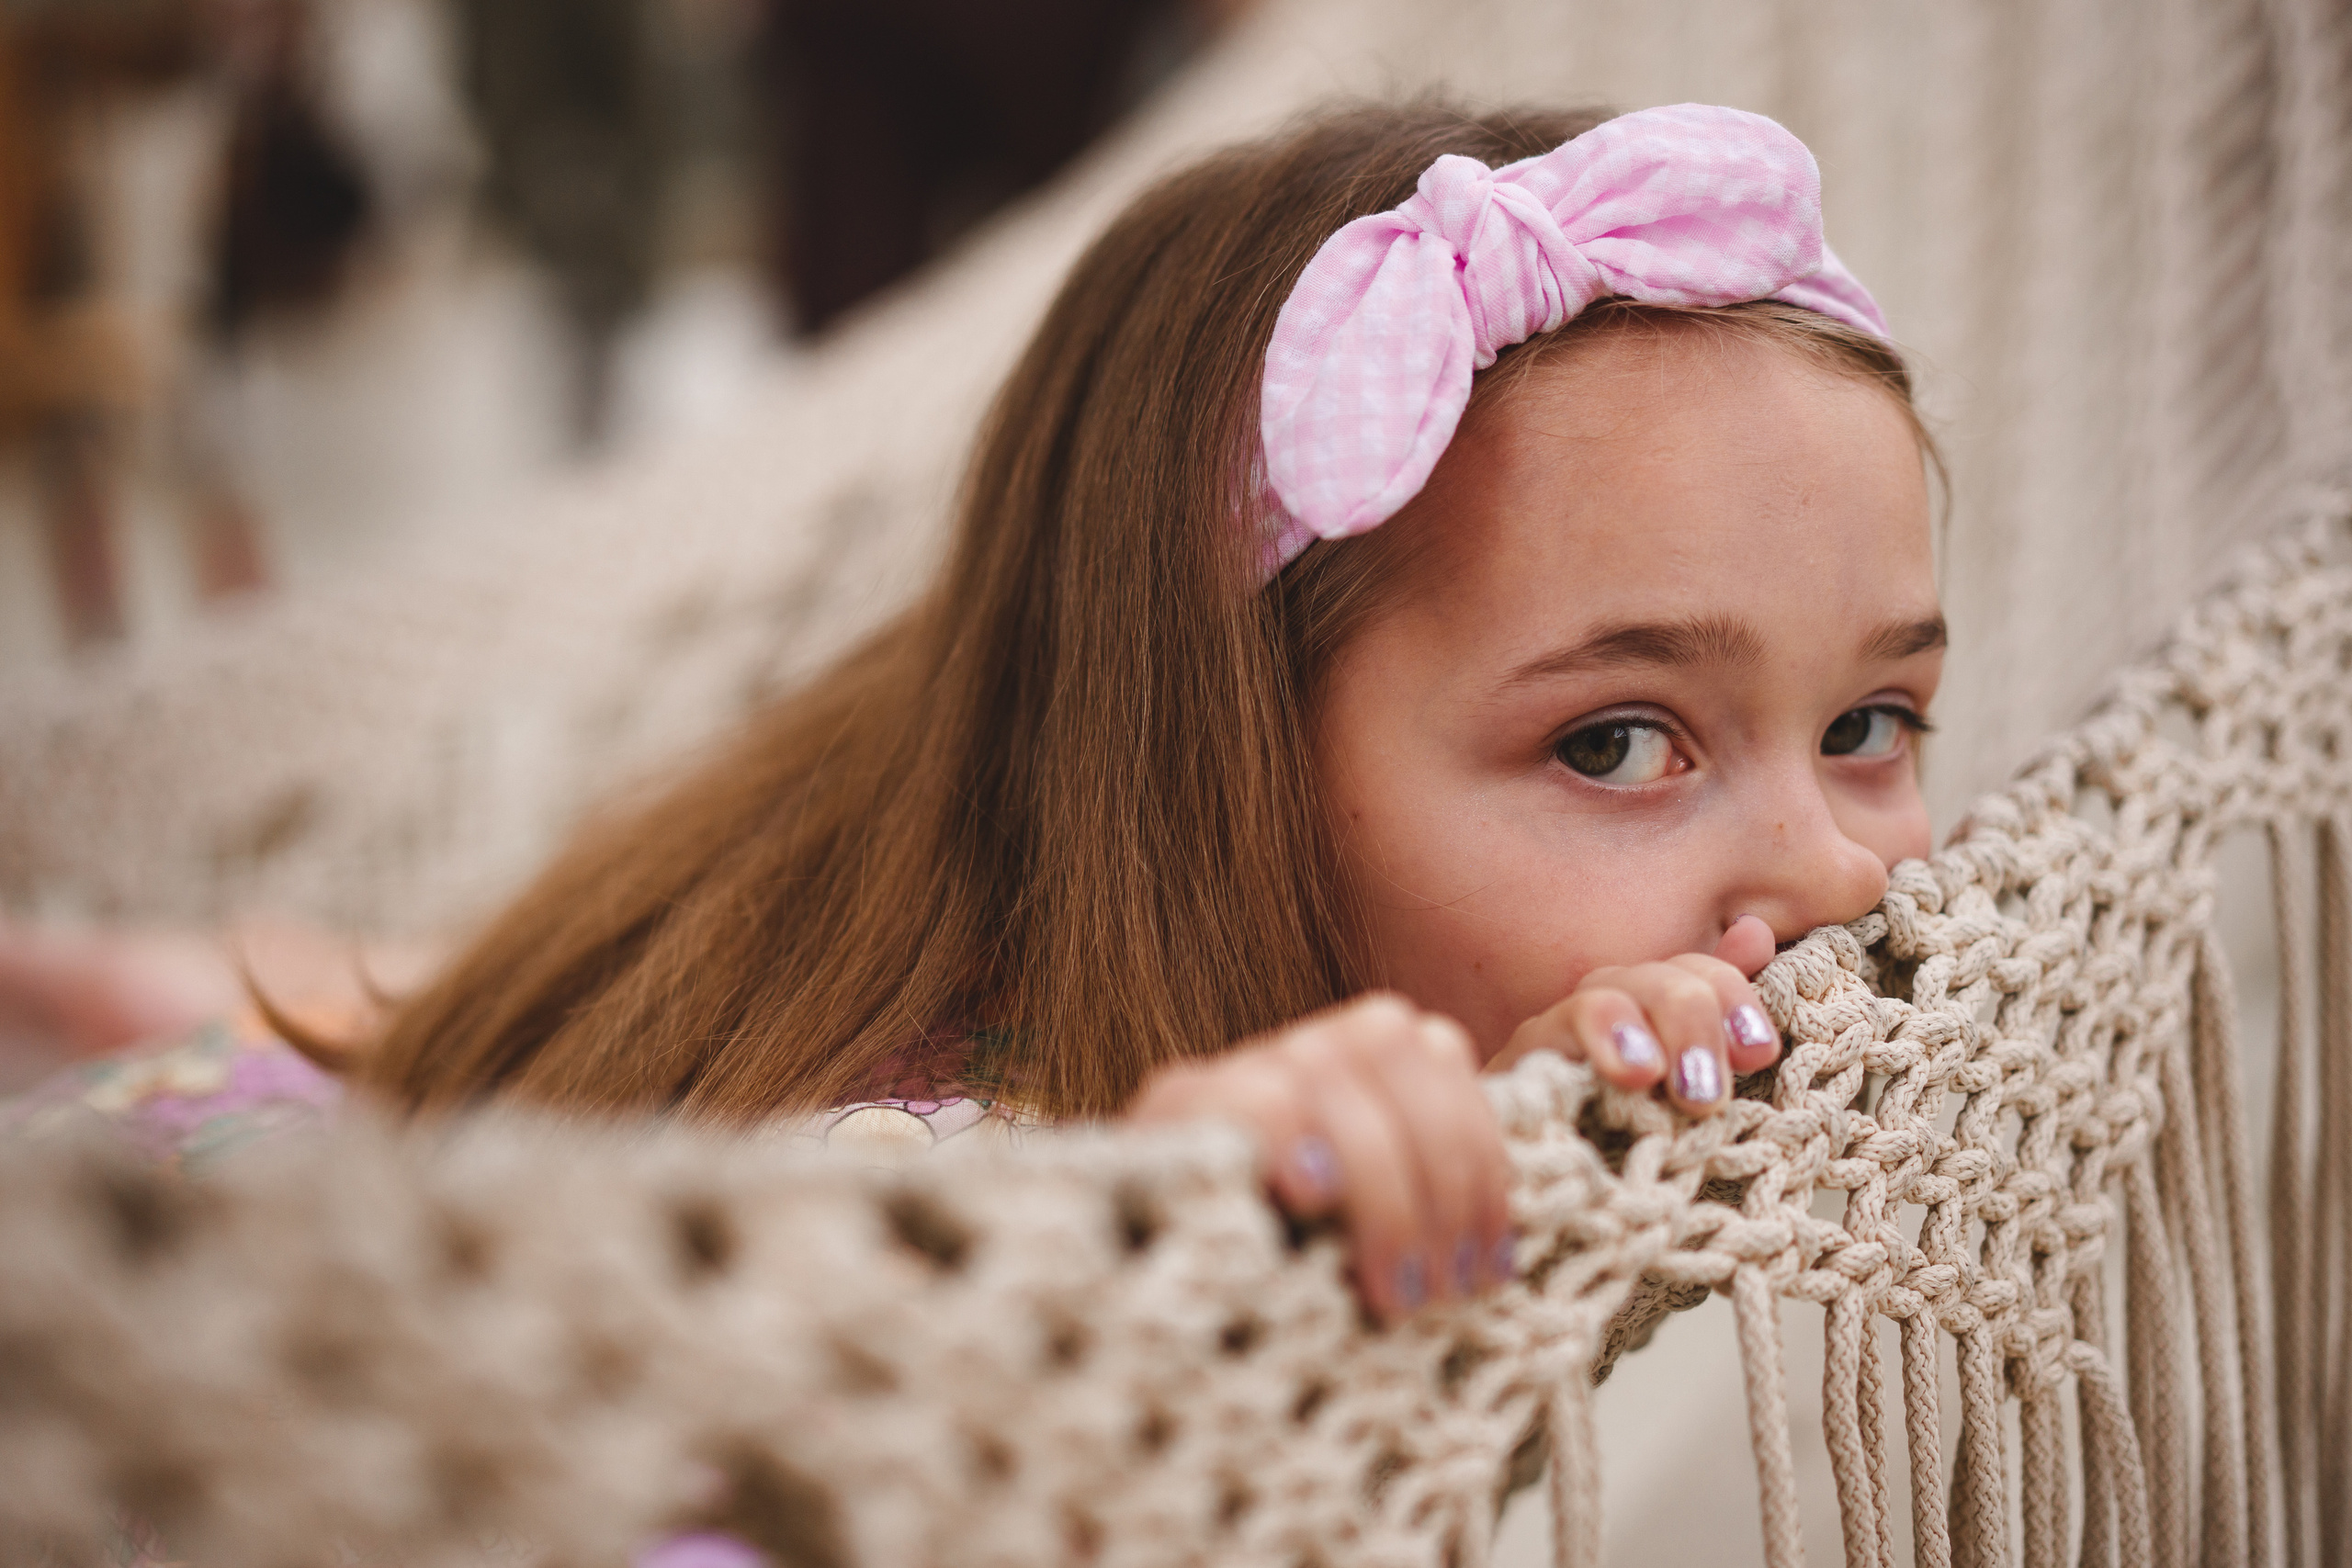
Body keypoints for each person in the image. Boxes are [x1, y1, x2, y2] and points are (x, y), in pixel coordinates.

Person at [3, 101, 1942, 1331]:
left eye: (1872, 717)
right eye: (1616, 741)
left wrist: (227, 976)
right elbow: (928, 1284)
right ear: (1223, 755)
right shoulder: (952, 1200)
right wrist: (1154, 1235)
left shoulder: (890, 905)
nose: (1831, 863)